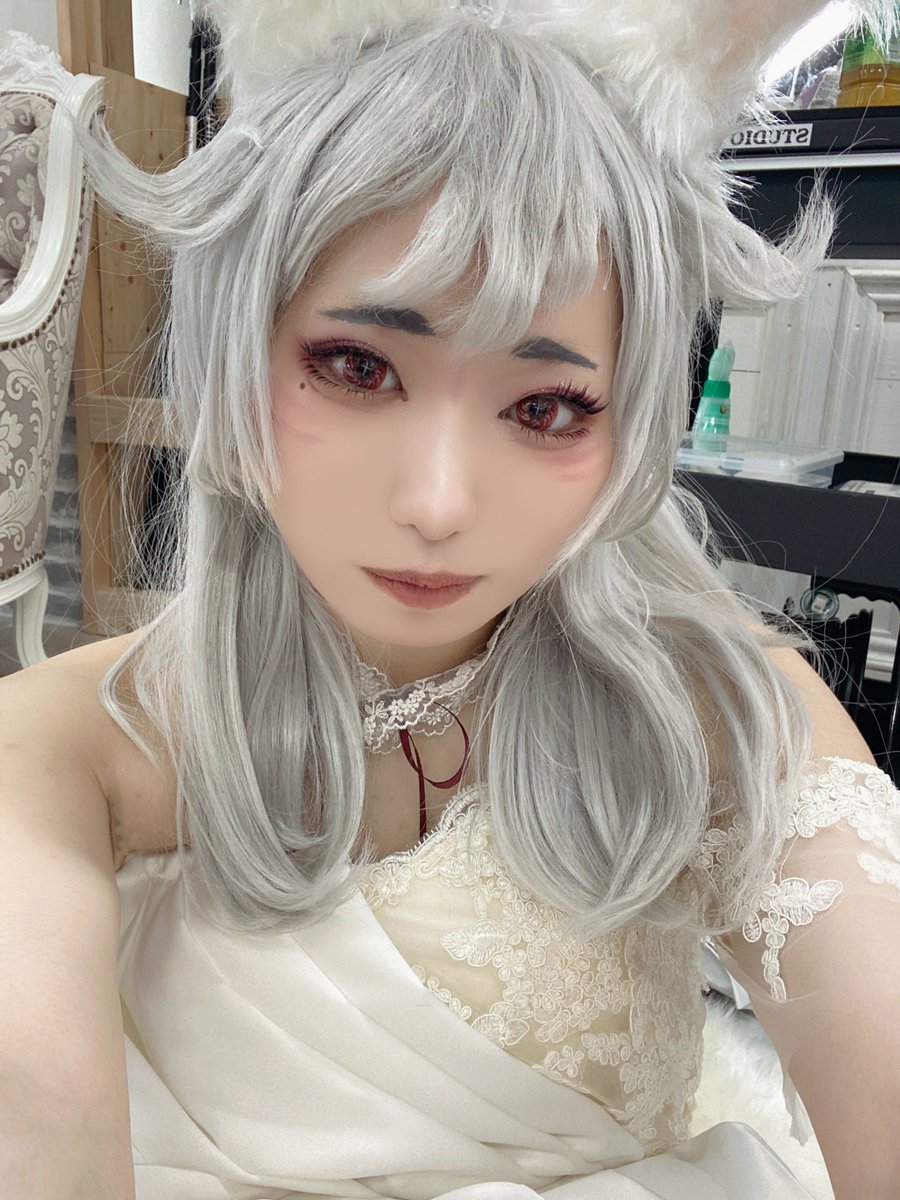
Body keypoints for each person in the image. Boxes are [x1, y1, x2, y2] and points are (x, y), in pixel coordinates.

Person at [2, 1, 899, 1197]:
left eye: (546, 408)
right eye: (357, 367)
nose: (437, 504)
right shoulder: (78, 742)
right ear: (236, 343)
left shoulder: (724, 716)